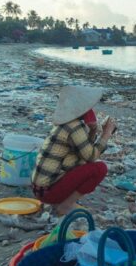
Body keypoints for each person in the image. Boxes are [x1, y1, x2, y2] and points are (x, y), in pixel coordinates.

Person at [31, 85, 116, 215]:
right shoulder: (73, 126)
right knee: (99, 168)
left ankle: (63, 201)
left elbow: (84, 152)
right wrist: (107, 133)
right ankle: (65, 205)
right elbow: (92, 156)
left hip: (41, 189)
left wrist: (93, 130)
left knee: (86, 164)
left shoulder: (67, 123)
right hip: (48, 192)